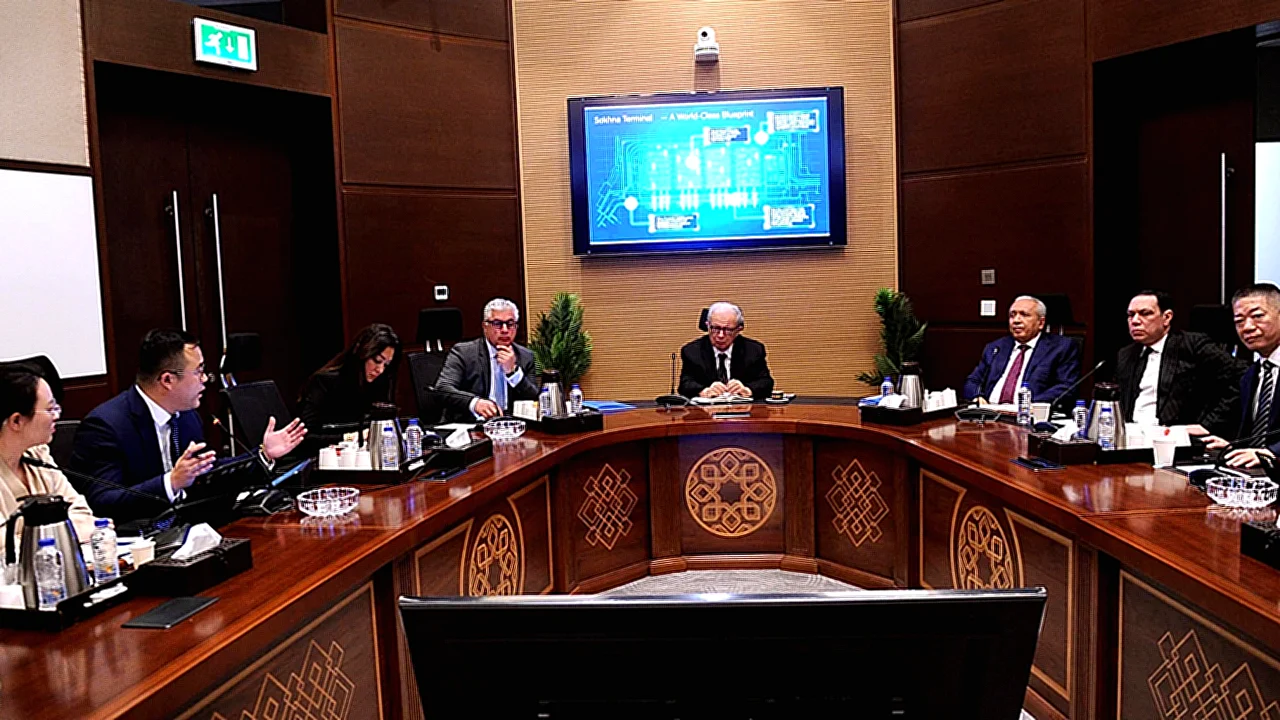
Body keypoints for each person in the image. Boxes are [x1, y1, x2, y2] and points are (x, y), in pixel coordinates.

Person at [68, 329, 307, 523]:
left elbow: (206, 473)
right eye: (198, 371)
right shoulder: (106, 426)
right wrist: (171, 482)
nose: (205, 379)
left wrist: (263, 455)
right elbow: (102, 502)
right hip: (138, 542)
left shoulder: (186, 416)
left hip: (189, 531)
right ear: (167, 380)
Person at [0, 368, 99, 558]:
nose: (57, 416)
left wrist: (35, 539)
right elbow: (5, 549)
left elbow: (83, 514)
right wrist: (66, 533)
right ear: (16, 421)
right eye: (50, 409)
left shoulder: (38, 455)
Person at [1114, 290, 1242, 437]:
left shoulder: (1191, 346)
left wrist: (1208, 425)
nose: (1135, 321)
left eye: (1145, 313)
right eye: (1131, 315)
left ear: (1167, 317)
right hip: (1130, 436)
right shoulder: (1126, 354)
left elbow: (1241, 376)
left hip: (1174, 438)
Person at [1204, 284, 1280, 467]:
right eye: (1239, 321)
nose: (1247, 327)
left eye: (1258, 316)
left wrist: (1273, 453)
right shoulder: (1250, 375)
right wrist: (1234, 446)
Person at [296, 323, 402, 450]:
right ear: (362, 354)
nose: (380, 370)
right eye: (377, 360)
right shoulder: (324, 382)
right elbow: (304, 438)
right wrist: (352, 437)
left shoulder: (380, 384)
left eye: (386, 364)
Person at [436, 299, 540, 422]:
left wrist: (513, 373)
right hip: (469, 425)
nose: (505, 330)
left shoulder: (525, 356)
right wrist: (475, 403)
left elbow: (534, 399)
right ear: (485, 327)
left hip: (510, 426)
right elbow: (442, 389)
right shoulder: (464, 353)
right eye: (497, 324)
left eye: (510, 324)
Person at [963, 295, 1080, 404]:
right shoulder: (996, 347)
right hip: (990, 412)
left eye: (1024, 315)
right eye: (1012, 315)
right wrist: (977, 396)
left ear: (1041, 323)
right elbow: (973, 380)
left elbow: (1066, 387)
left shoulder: (1061, 347)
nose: (1016, 320)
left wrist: (1026, 405)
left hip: (1029, 413)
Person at [678, 302, 774, 401]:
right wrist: (704, 390)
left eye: (728, 330)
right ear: (707, 325)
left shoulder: (754, 350)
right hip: (707, 409)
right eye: (715, 328)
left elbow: (766, 382)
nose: (720, 335)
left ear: (738, 329)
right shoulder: (692, 351)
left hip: (743, 408)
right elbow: (685, 385)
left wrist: (747, 389)